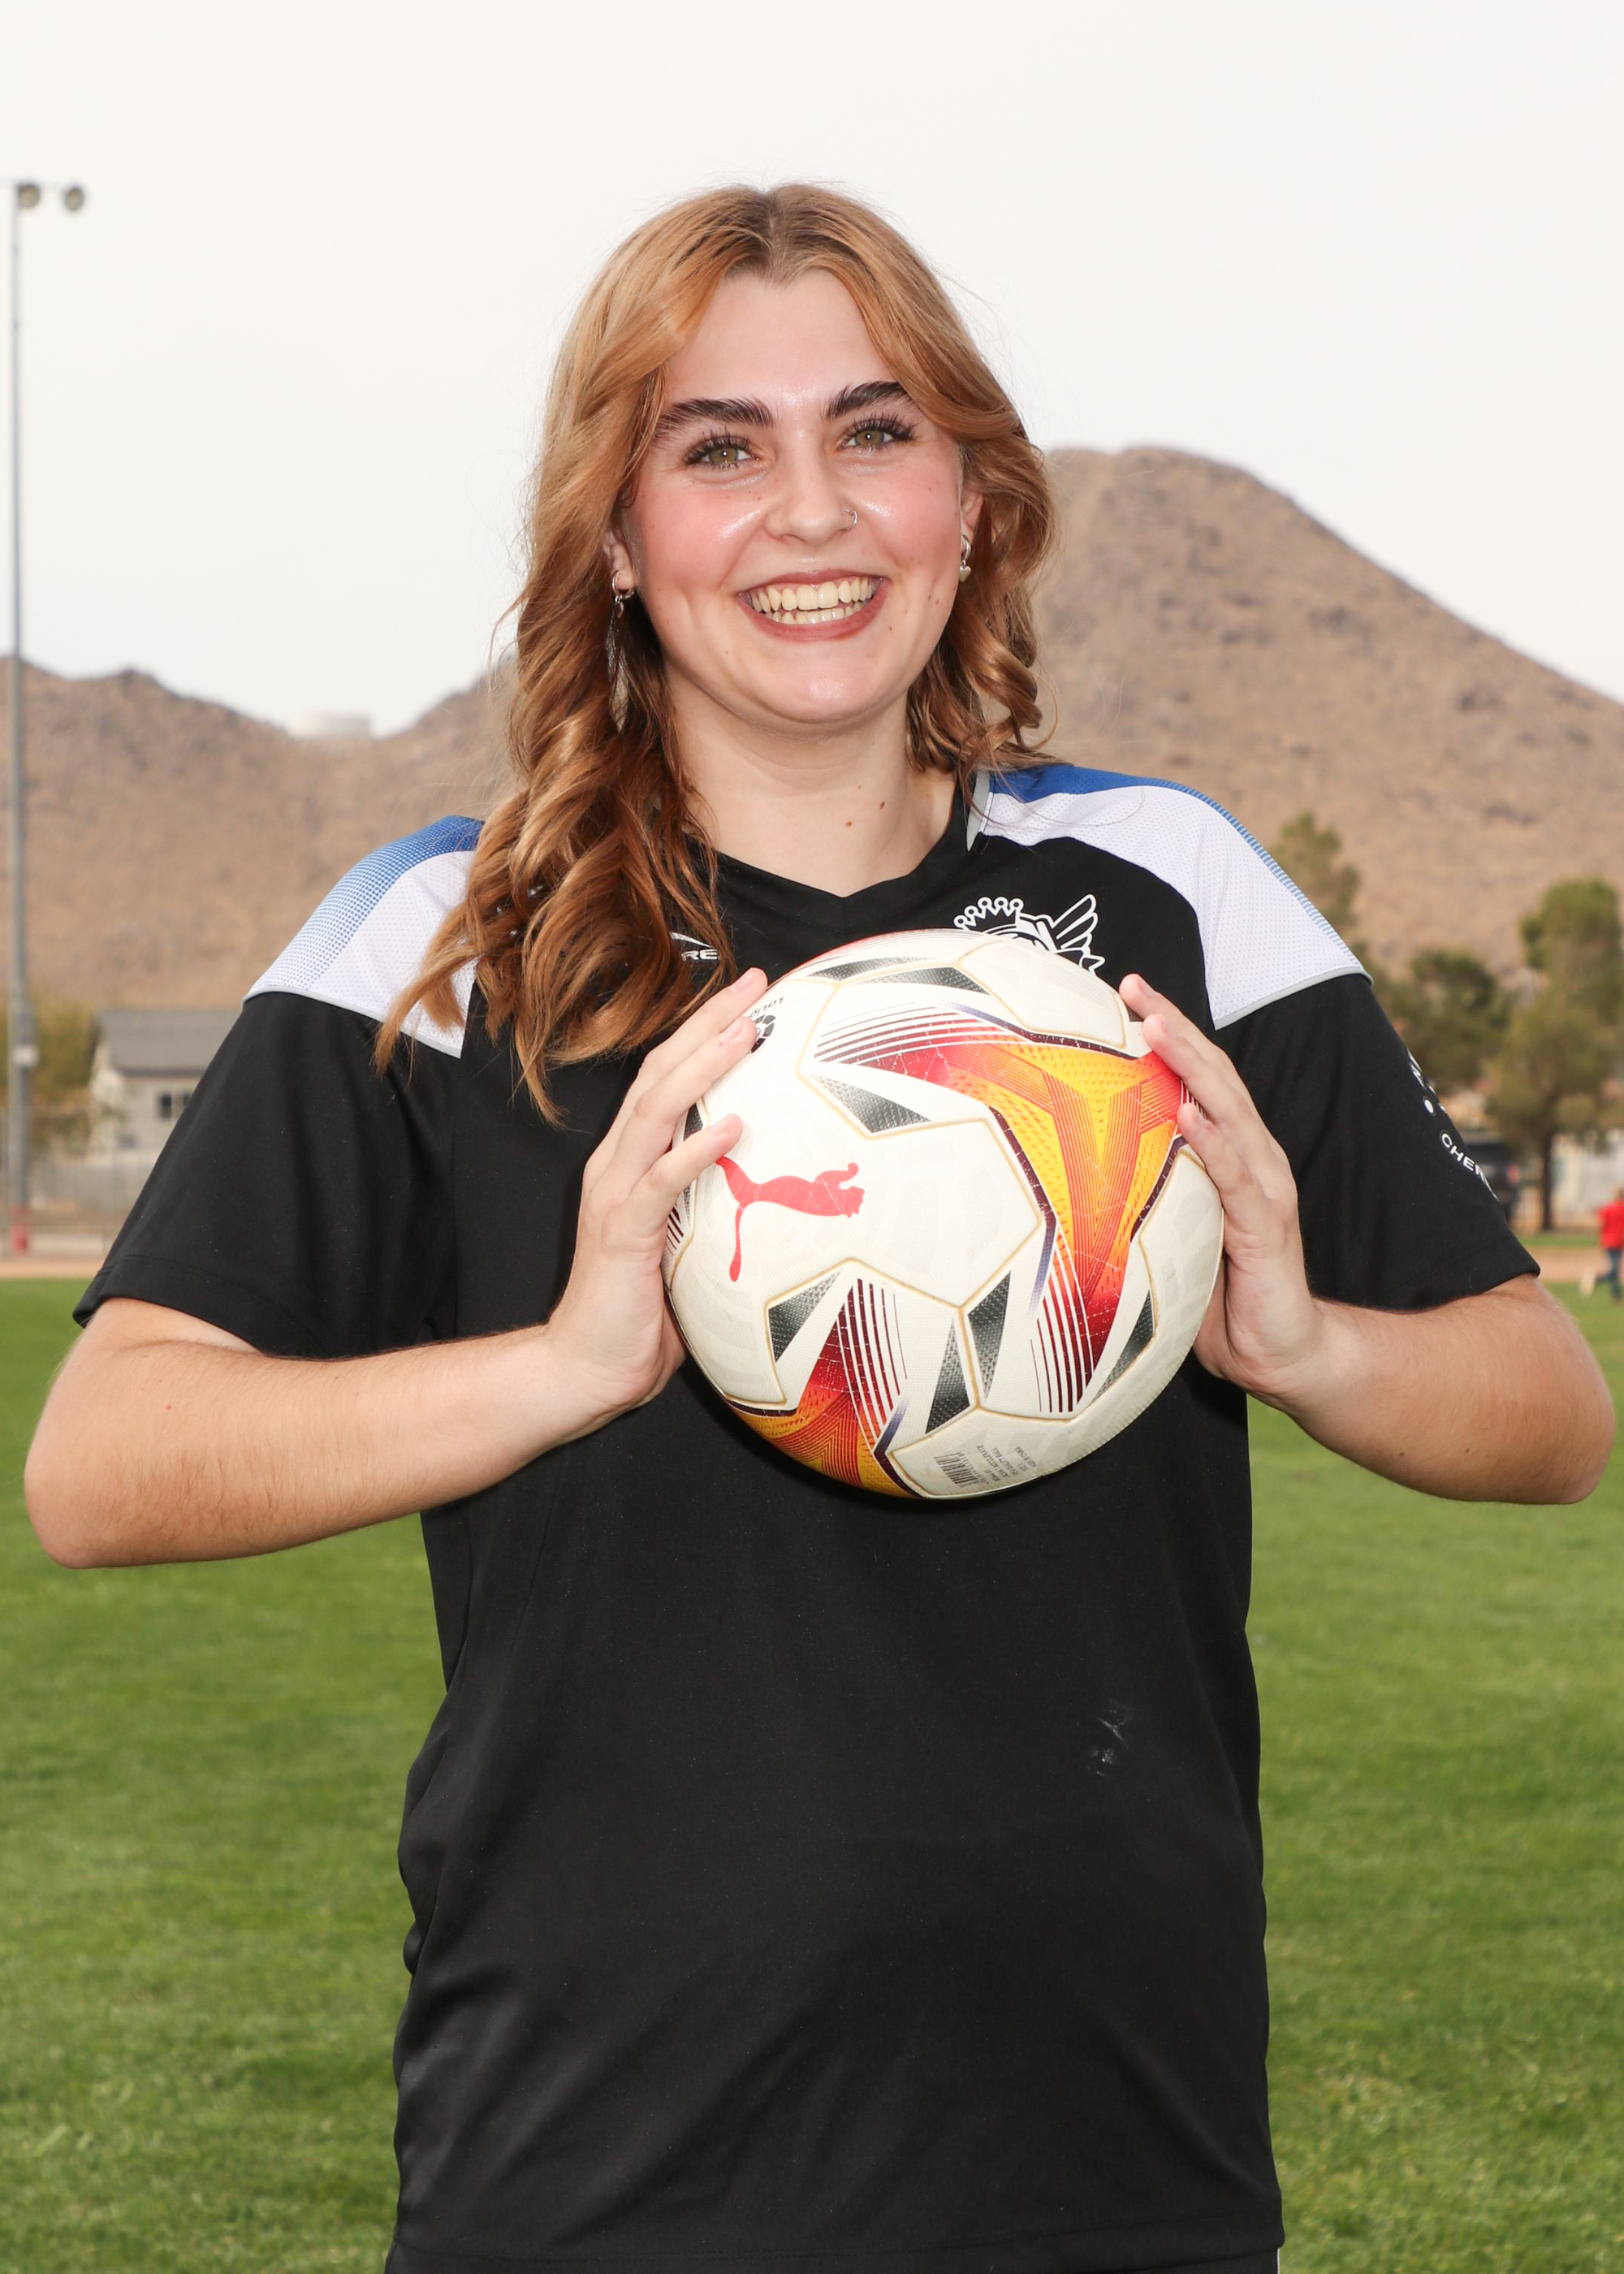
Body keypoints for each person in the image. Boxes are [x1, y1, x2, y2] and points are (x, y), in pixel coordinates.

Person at [25, 184, 1613, 2274]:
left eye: (875, 432)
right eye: (719, 447)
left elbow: (1544, 1410)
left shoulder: (1167, 895)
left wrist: (1301, 1339)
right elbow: (104, 1463)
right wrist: (559, 1366)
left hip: (1111, 2158)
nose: (811, 512)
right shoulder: (449, 936)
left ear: (972, 500)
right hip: (594, 2167)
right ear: (615, 531)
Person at [1584, 1185, 1624, 1300]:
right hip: (1617, 1242)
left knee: (1615, 1268)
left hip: (1608, 1242)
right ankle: (1597, 1279)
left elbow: (1601, 1224)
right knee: (1614, 1269)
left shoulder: (1607, 1208)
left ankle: (1616, 1295)